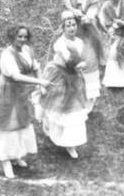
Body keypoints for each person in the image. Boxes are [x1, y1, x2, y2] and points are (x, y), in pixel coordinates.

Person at [0, 26, 48, 178]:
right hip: (7, 92)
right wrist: (39, 81)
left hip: (21, 93)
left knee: (21, 122)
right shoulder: (7, 55)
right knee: (7, 124)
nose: (22, 39)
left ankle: (17, 155)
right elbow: (15, 76)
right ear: (12, 37)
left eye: (24, 36)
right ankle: (5, 160)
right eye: (19, 36)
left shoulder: (27, 50)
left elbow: (36, 66)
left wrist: (40, 83)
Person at [37, 12, 91, 159]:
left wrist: (84, 63)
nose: (72, 28)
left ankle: (70, 142)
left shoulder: (79, 42)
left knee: (73, 110)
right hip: (60, 76)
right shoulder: (60, 43)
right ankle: (50, 124)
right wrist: (78, 64)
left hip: (74, 78)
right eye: (68, 25)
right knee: (58, 105)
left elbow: (84, 56)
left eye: (74, 25)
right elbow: (67, 58)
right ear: (63, 27)